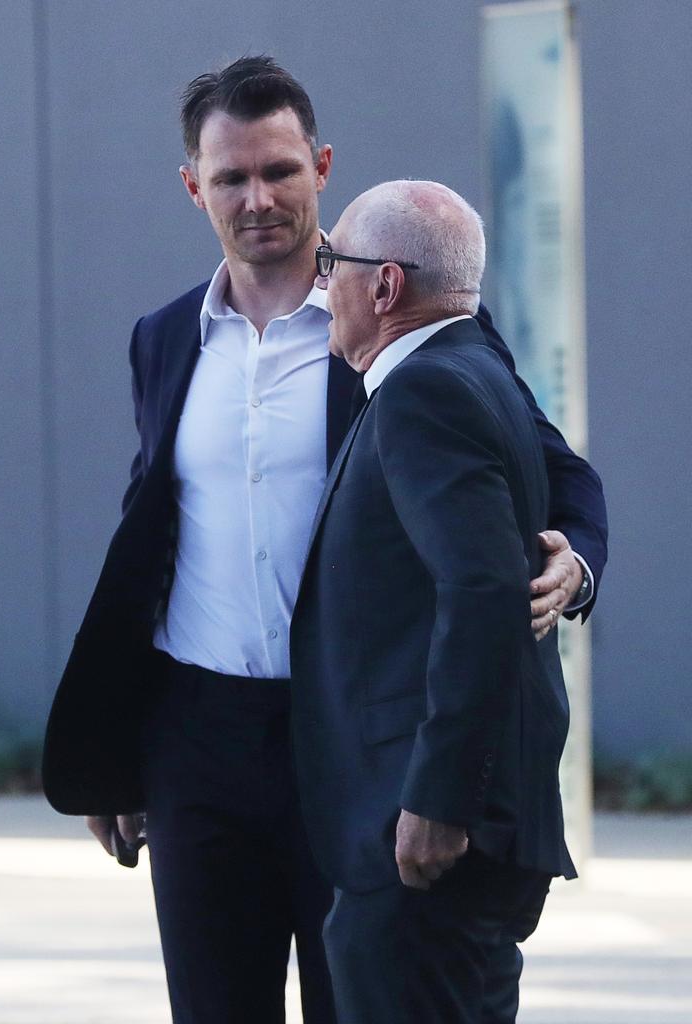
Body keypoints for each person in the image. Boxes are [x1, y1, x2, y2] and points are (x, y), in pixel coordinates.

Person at [42, 58, 607, 1024]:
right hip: (197, 741)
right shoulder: (166, 337)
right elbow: (156, 529)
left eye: (280, 171)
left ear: (322, 168)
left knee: (363, 1000)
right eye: (231, 178)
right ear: (194, 188)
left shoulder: (398, 316)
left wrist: (576, 561)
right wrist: (119, 746)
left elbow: (548, 465)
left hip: (351, 740)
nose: (258, 198)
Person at [290, 179, 579, 1024]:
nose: (319, 285)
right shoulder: (476, 369)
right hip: (449, 832)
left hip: (429, 835)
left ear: (385, 286)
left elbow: (482, 588)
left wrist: (439, 802)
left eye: (330, 264)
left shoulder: (425, 391)